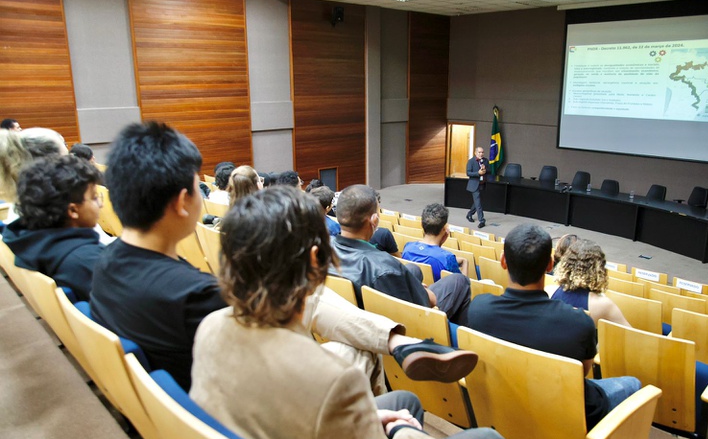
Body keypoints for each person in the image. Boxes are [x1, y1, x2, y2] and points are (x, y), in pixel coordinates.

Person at [91, 121, 477, 392]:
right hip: (245, 403)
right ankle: (392, 351)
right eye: (198, 186)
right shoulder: (193, 297)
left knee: (307, 298)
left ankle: (396, 342)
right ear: (181, 203)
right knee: (315, 310)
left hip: (198, 403)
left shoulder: (105, 264)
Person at [190, 186, 512, 439]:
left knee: (406, 400)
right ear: (316, 260)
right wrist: (404, 432)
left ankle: (396, 349)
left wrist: (366, 417)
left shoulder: (211, 328)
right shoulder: (333, 383)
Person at [467, 224, 641, 430]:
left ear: (503, 261)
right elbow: (582, 373)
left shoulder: (478, 309)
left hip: (508, 399)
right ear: (550, 265)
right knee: (634, 384)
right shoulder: (578, 324)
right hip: (566, 411)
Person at [331, 185, 472, 325]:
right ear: (374, 220)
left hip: (349, 314)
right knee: (459, 281)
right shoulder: (384, 265)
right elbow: (431, 301)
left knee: (413, 269)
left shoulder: (323, 248)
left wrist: (413, 285)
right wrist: (420, 290)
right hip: (404, 324)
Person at [3, 156, 103, 301]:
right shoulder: (88, 261)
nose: (101, 204)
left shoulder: (24, 240)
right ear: (73, 211)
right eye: (94, 198)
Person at [551, 239, 632, 328]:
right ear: (599, 269)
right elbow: (630, 334)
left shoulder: (550, 291)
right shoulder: (603, 304)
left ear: (565, 264)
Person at [402, 203, 467, 281]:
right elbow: (462, 284)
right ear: (444, 229)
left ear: (421, 225)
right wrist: (465, 262)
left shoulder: (408, 248)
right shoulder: (447, 258)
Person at [466, 145, 488, 228]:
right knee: (478, 203)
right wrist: (478, 173)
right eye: (479, 152)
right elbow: (468, 173)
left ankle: (469, 214)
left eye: (482, 152)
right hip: (474, 185)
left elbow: (489, 171)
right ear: (475, 153)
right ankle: (482, 220)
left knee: (477, 202)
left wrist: (485, 171)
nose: (481, 154)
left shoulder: (485, 161)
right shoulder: (471, 161)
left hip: (482, 184)